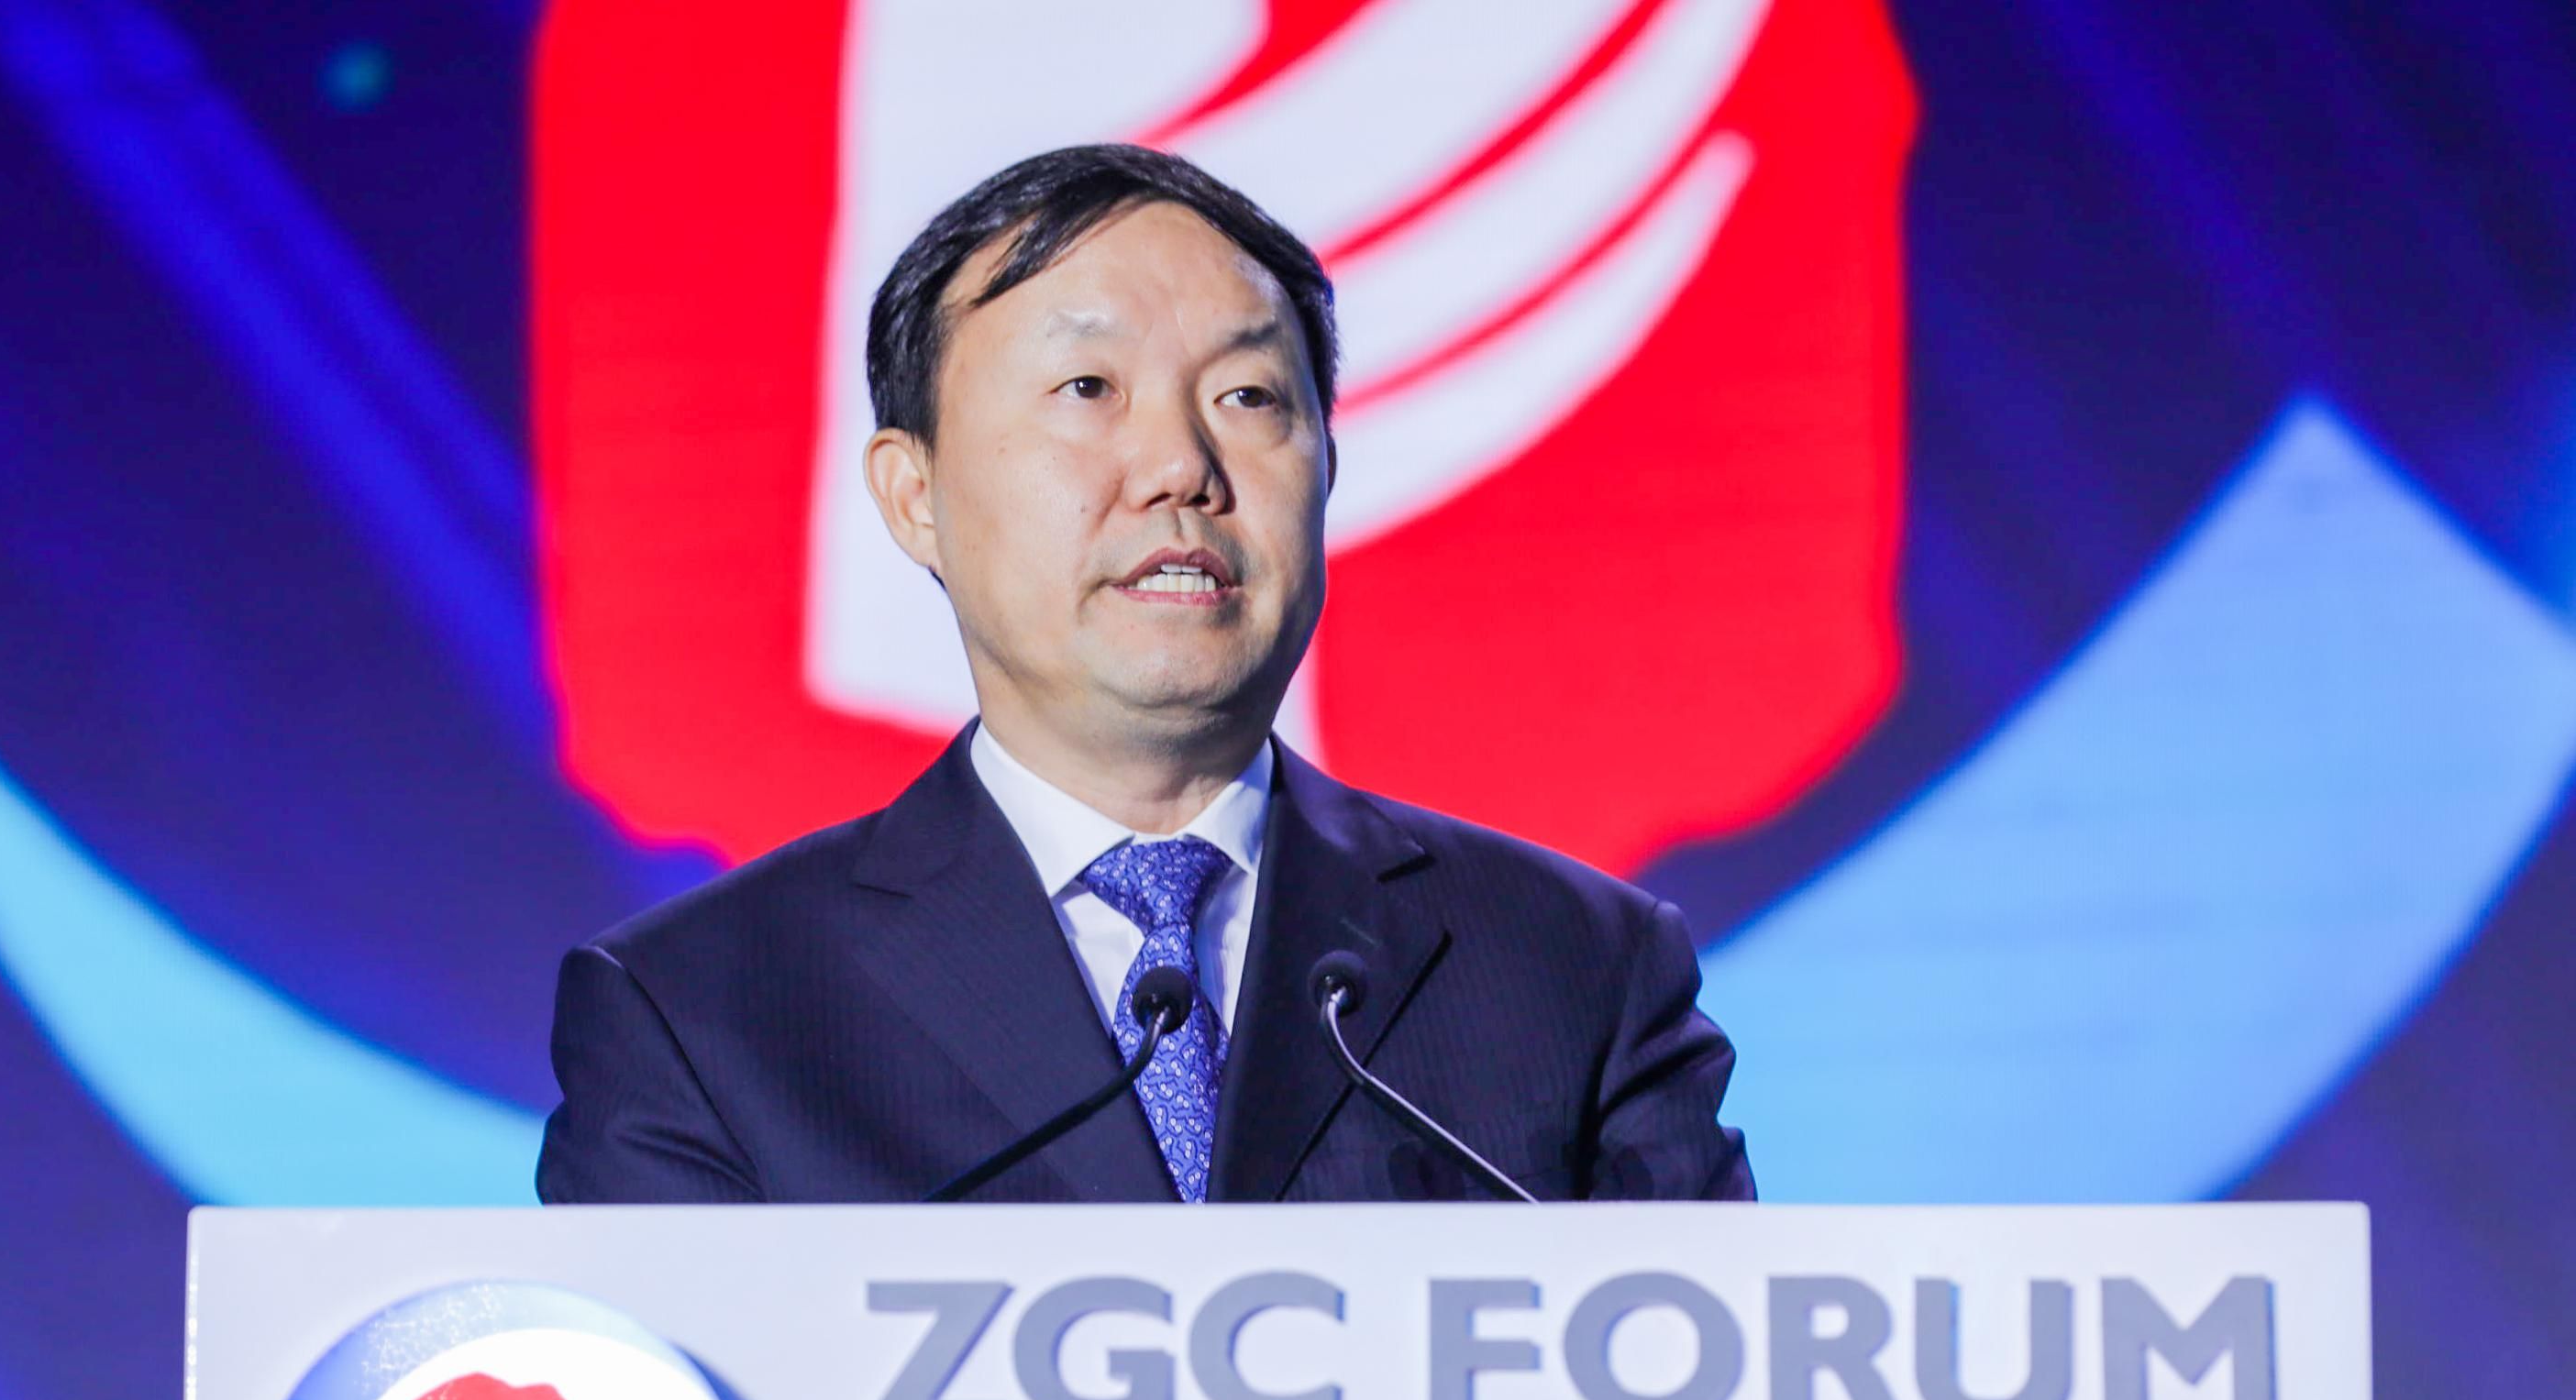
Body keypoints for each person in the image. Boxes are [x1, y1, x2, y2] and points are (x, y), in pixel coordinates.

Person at [538, 144, 1753, 1205]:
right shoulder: (698, 1014)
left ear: (1327, 472)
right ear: (914, 496)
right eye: (1088, 390)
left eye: (1249, 396)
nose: (1180, 465)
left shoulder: (1576, 971)